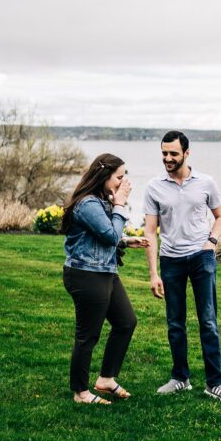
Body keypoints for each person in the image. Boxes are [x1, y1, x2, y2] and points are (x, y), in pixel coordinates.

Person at [144, 131, 221, 403]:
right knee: (175, 323)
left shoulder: (206, 182)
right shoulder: (154, 187)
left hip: (201, 257)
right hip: (170, 260)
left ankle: (216, 383)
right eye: (164, 153)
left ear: (187, 153)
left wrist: (212, 242)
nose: (168, 158)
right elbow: (150, 232)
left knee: (208, 322)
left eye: (173, 153)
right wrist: (153, 273)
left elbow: (220, 217)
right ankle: (179, 378)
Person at [61, 153, 149, 405]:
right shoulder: (88, 203)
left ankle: (106, 379)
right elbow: (109, 235)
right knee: (88, 335)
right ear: (104, 176)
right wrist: (120, 204)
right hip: (86, 275)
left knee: (126, 322)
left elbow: (103, 237)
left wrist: (126, 240)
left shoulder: (100, 201)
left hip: (104, 272)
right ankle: (80, 392)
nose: (123, 182)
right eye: (119, 177)